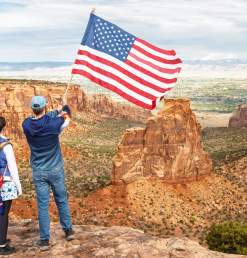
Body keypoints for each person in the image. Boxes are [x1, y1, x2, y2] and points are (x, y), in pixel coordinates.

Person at [22, 96, 74, 250]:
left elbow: (39, 119)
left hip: (39, 171)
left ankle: (44, 240)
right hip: (56, 169)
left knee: (43, 206)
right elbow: (67, 117)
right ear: (45, 108)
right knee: (61, 200)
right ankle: (68, 230)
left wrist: (54, 111)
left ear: (33, 109)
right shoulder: (54, 125)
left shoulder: (26, 125)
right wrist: (64, 106)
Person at [0, 117, 22, 256]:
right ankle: (2, 245)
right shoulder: (5, 145)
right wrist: (18, 186)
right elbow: (13, 167)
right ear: (4, 127)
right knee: (3, 214)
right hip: (5, 184)